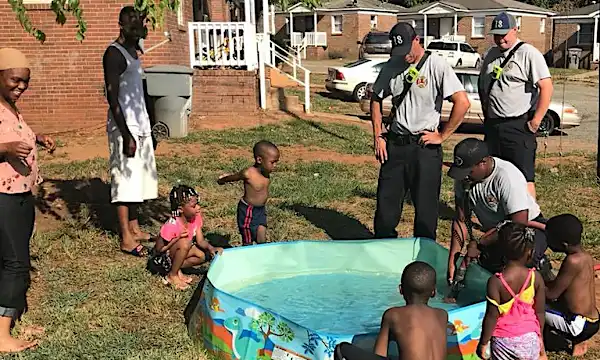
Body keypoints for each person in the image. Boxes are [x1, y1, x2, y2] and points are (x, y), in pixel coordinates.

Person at [370, 22, 470, 241]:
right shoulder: (392, 65)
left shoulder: (436, 65)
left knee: (425, 209)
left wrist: (442, 135)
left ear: (417, 40)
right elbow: (376, 97)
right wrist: (378, 135)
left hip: (424, 148)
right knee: (386, 207)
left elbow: (462, 102)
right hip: (395, 145)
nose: (403, 56)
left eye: (406, 50)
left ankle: (424, 260)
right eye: (398, 52)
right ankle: (383, 248)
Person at [0, 48, 56, 353]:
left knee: (16, 257)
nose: (20, 87)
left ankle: (12, 318)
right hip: (3, 196)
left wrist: (38, 138)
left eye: (25, 83)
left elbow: (14, 133)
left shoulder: (9, 107)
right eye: (15, 81)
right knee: (15, 263)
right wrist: (6, 149)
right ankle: (2, 336)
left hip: (20, 193)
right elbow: (5, 142)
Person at [446, 138, 551, 284]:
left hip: (528, 228)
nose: (464, 177)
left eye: (469, 171)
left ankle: (540, 268)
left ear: (483, 162)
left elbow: (518, 224)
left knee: (513, 268)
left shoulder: (507, 177)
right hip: (497, 232)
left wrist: (481, 244)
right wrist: (453, 259)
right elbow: (461, 220)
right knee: (488, 268)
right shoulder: (465, 178)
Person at [479, 12, 553, 200]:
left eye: (504, 34)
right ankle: (501, 218)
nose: (500, 38)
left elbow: (546, 87)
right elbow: (484, 84)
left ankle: (529, 220)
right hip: (494, 125)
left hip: (518, 126)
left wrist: (536, 120)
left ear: (515, 30)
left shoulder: (528, 53)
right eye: (496, 34)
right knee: (494, 173)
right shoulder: (491, 54)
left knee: (523, 176)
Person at [103, 6, 158, 257]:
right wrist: (125, 134)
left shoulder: (134, 50)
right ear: (121, 25)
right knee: (124, 179)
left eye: (141, 27)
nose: (139, 33)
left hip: (141, 124)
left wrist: (151, 125)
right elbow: (112, 98)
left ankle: (134, 228)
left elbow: (139, 91)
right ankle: (125, 237)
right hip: (124, 126)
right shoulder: (113, 54)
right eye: (133, 28)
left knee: (138, 177)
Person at [334, 261, 447, 360]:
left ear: (400, 289)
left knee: (343, 348)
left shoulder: (393, 315)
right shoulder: (442, 315)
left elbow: (379, 354)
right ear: (433, 292)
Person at [477, 222, 547, 360]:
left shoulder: (496, 282)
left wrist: (483, 342)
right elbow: (539, 312)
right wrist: (540, 338)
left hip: (503, 340)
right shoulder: (535, 278)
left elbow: (492, 315)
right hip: (530, 339)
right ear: (530, 251)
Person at [544, 214, 598, 357]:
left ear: (563, 245)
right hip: (592, 321)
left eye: (549, 239)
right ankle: (579, 341)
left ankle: (540, 343)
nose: (548, 243)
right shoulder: (586, 256)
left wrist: (534, 282)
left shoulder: (572, 261)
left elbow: (551, 294)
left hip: (577, 325)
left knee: (534, 307)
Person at [154, 184, 223, 290]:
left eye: (197, 204)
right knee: (185, 243)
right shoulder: (172, 225)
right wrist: (176, 239)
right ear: (181, 209)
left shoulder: (195, 217)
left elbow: (200, 241)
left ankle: (177, 269)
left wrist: (211, 248)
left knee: (201, 255)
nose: (198, 208)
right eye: (193, 206)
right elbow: (158, 250)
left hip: (178, 252)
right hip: (162, 260)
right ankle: (171, 275)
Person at [217, 141, 279, 246]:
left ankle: (261, 255)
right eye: (272, 162)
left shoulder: (266, 173)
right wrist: (223, 179)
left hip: (260, 210)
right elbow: (235, 176)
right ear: (259, 160)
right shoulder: (249, 173)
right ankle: (247, 254)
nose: (275, 166)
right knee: (247, 237)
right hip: (248, 210)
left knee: (261, 237)